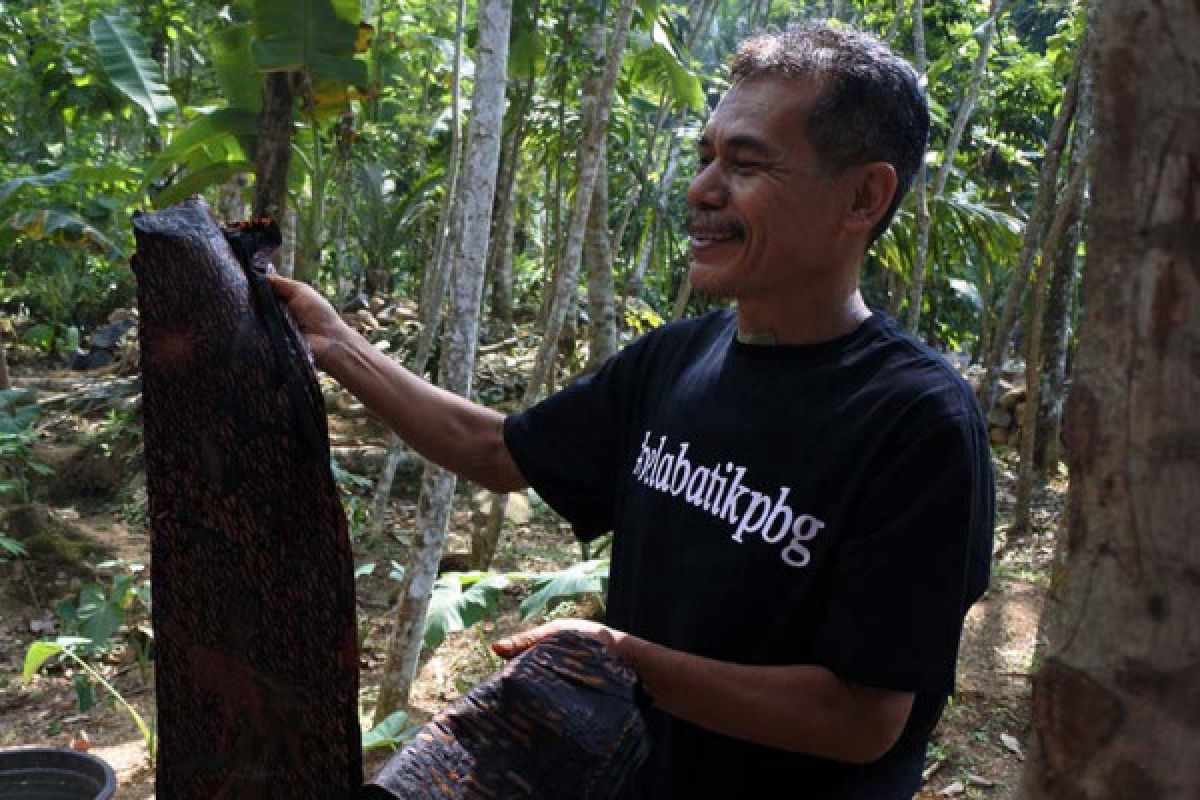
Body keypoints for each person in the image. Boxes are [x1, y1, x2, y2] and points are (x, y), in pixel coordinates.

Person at [271, 23, 993, 800]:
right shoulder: (678, 359)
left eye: (746, 164)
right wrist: (336, 343)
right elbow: (498, 451)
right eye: (707, 156)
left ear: (863, 196)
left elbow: (862, 718)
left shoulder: (917, 422)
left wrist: (626, 657)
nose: (702, 191)